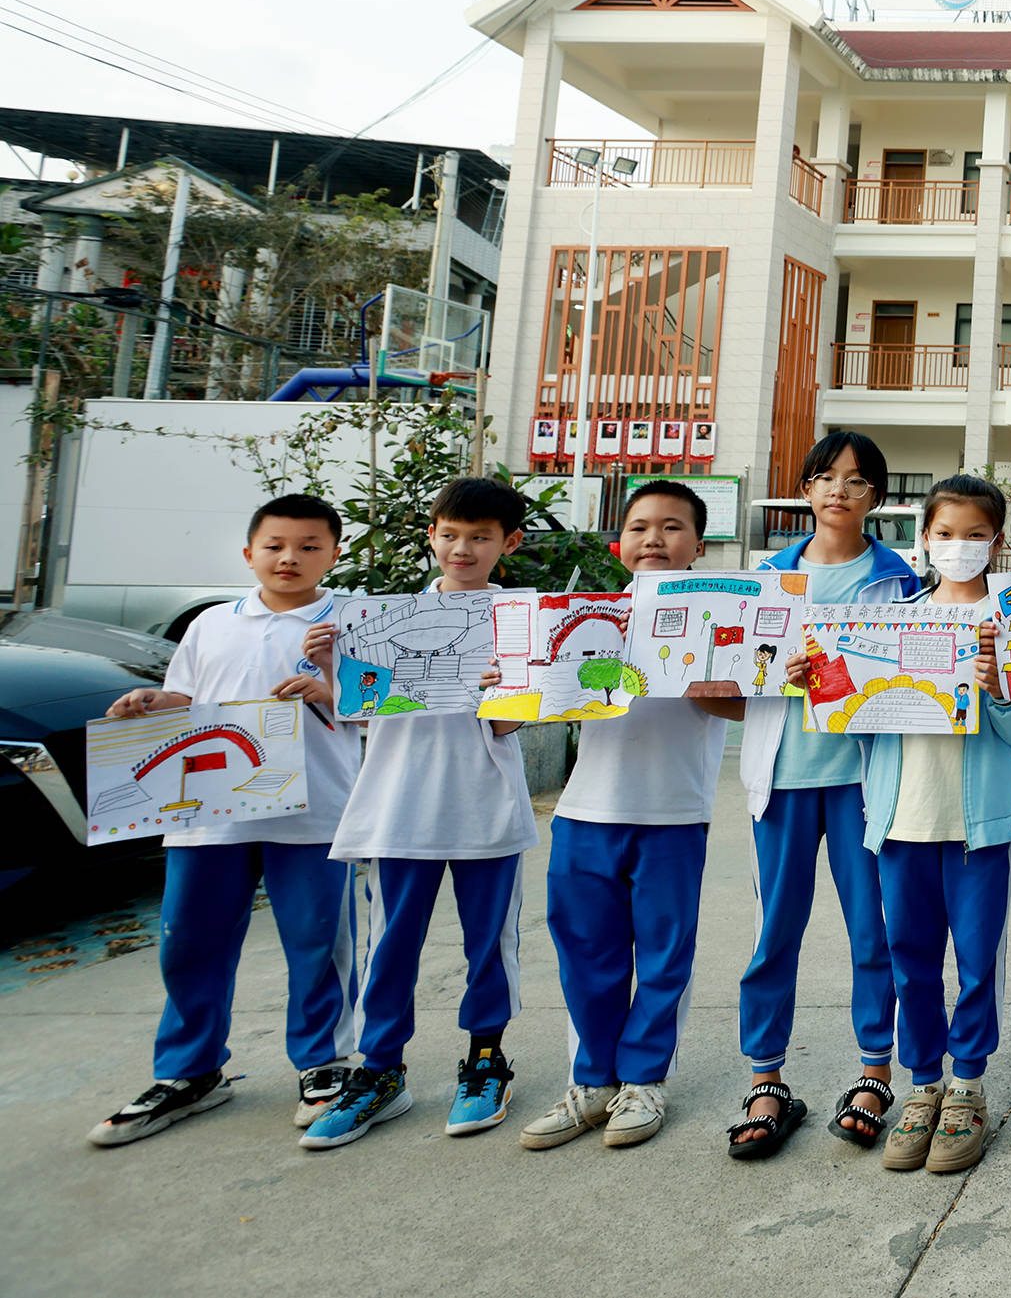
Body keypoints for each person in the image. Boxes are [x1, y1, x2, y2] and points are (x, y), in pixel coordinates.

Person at [89, 494, 364, 1147]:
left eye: (308, 545)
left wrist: (332, 685)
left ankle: (323, 1064)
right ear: (249, 553)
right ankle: (189, 1071)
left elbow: (381, 709)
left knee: (318, 940)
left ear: (334, 552)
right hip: (208, 810)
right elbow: (186, 697)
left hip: (314, 809)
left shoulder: (349, 621)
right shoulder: (213, 623)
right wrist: (153, 703)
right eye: (274, 545)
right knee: (189, 937)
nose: (290, 557)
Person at [303, 476, 540, 1149]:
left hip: (483, 805)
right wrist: (331, 669)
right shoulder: (376, 618)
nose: (462, 547)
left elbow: (508, 727)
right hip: (399, 805)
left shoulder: (519, 618)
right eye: (451, 533)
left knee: (488, 943)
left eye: (481, 536)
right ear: (431, 533)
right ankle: (381, 1070)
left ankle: (487, 1059)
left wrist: (511, 690)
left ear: (508, 542)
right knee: (391, 945)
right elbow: (357, 710)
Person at [522, 479, 741, 1152]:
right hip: (586, 809)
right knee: (587, 951)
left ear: (698, 545)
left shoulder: (718, 616)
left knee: (664, 954)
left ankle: (644, 1079)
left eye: (672, 526)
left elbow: (742, 707)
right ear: (619, 542)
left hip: (675, 813)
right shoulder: (582, 615)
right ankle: (592, 1079)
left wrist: (711, 689)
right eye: (640, 526)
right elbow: (537, 702)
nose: (654, 537)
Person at [731, 431, 921, 1160]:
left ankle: (875, 1073)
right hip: (780, 776)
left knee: (873, 931)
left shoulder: (900, 580)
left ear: (876, 495)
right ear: (806, 489)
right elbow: (735, 679)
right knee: (774, 930)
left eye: (857, 480)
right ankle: (766, 1077)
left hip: (862, 778)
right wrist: (773, 675)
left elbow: (915, 680)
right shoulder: (765, 579)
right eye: (826, 477)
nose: (840, 489)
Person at [871, 475, 1011, 1174]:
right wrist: (824, 678)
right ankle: (922, 1083)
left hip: (978, 824)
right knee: (909, 958)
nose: (959, 546)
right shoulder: (890, 618)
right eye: (945, 533)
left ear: (997, 542)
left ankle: (967, 1083)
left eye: (975, 534)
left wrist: (999, 676)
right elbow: (857, 723)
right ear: (924, 539)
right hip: (900, 817)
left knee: (975, 961)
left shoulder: (1010, 620)